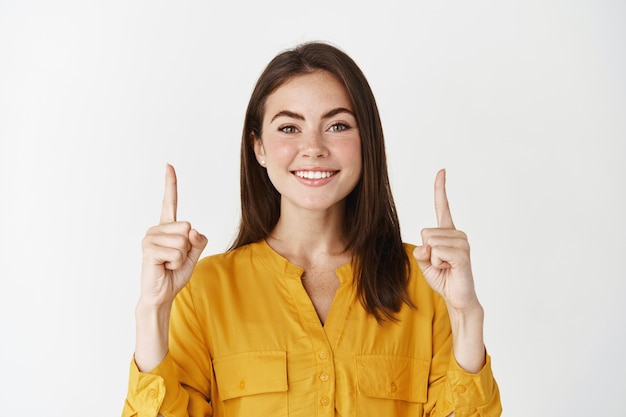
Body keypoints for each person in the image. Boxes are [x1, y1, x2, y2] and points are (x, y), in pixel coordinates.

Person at [122, 41, 502, 417]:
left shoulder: (426, 282)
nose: (313, 147)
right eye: (289, 128)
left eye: (337, 125)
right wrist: (151, 311)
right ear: (258, 148)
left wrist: (466, 314)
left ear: (366, 141)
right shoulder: (205, 290)